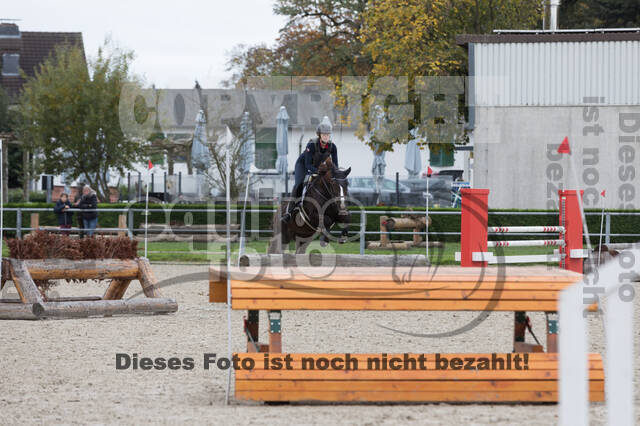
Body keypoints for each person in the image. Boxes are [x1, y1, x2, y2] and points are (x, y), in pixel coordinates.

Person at [281, 117, 338, 224]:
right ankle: (289, 212)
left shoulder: (333, 147)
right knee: (299, 183)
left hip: (318, 168)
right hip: (303, 165)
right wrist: (318, 172)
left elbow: (335, 165)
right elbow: (307, 165)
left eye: (328, 134)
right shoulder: (311, 144)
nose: (326, 136)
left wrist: (336, 175)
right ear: (319, 135)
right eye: (324, 134)